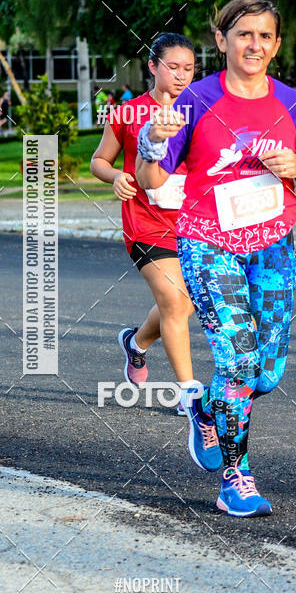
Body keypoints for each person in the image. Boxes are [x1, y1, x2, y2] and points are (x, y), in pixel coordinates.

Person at [136, 0, 296, 517]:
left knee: (266, 374)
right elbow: (153, 182)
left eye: (265, 36)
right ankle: (234, 477)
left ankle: (206, 402)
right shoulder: (194, 100)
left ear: (277, 44)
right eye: (244, 34)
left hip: (273, 248)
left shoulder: (293, 101)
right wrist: (152, 143)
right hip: (208, 243)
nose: (255, 45)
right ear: (221, 41)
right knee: (239, 360)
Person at [90, 34, 197, 414]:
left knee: (184, 305)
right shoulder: (127, 113)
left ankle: (136, 344)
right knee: (175, 299)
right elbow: (98, 160)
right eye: (173, 67)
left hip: (195, 223)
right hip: (146, 224)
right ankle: (189, 394)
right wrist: (115, 175)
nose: (182, 75)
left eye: (189, 68)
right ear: (153, 67)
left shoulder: (202, 111)